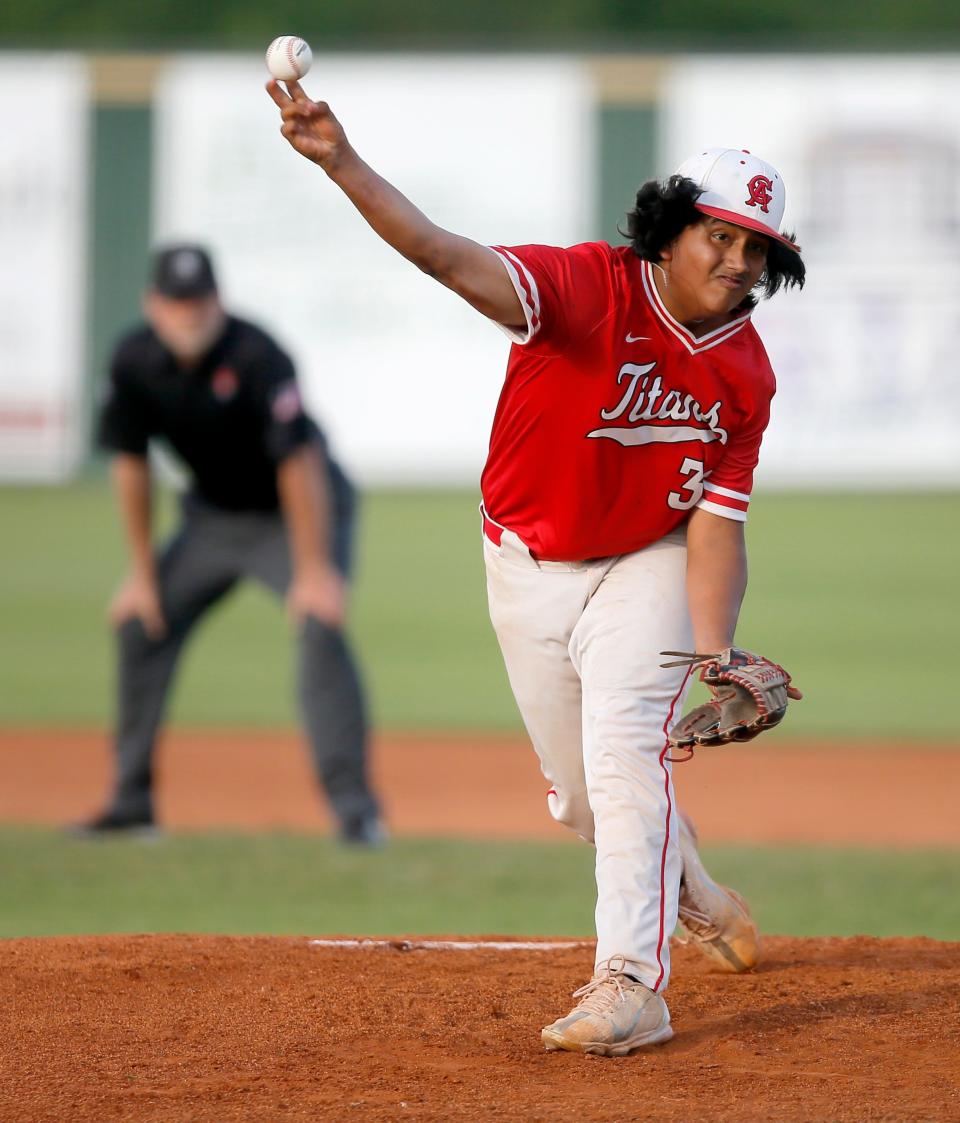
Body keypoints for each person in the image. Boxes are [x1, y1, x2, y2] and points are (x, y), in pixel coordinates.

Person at [266, 79, 804, 1051]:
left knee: (628, 752)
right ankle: (703, 894)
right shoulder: (583, 286)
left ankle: (632, 983)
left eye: (755, 246)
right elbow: (442, 254)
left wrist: (717, 646)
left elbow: (718, 525)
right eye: (718, 234)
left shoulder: (746, 371)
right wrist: (340, 161)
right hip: (525, 561)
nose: (736, 259)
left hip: (648, 562)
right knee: (583, 797)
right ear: (672, 229)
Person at [79, 243, 384, 846]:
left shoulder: (257, 355)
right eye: (176, 302)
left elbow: (298, 464)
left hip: (298, 514)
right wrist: (141, 575)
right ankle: (131, 803)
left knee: (319, 625)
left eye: (199, 302)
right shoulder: (133, 362)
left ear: (218, 301)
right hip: (212, 522)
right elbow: (131, 467)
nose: (189, 315)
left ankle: (356, 814)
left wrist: (315, 568)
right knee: (141, 623)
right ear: (152, 305)